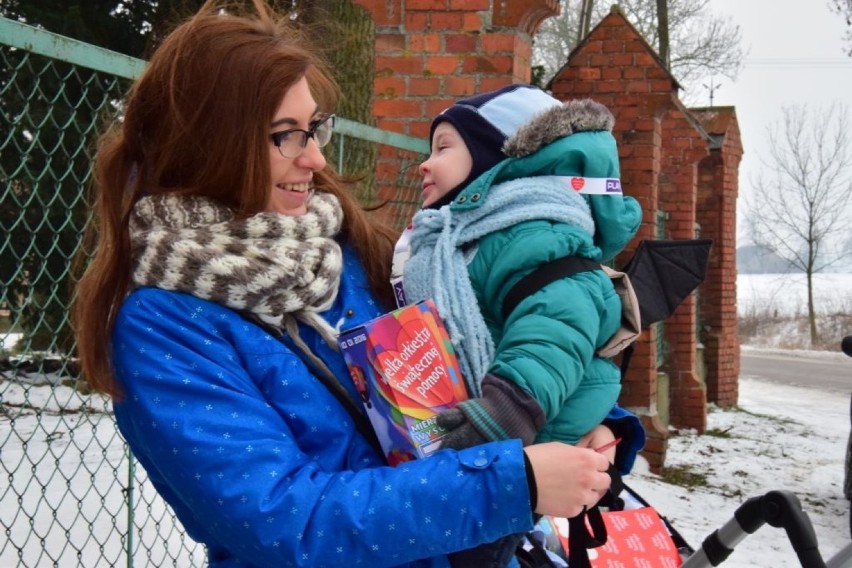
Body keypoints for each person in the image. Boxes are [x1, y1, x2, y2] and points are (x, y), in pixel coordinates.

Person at [72, 3, 640, 566]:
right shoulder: (163, 330)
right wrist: (513, 485)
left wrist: (578, 427)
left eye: (314, 126)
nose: (316, 157)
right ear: (209, 143)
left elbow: (496, 339)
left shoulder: (353, 251)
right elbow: (288, 523)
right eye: (286, 136)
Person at [393, 85, 645, 565]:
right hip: (500, 439)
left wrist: (506, 409)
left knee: (476, 549)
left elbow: (557, 322)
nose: (425, 164)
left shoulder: (530, 232)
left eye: (444, 148)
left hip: (523, 425)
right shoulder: (463, 240)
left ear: (496, 161)